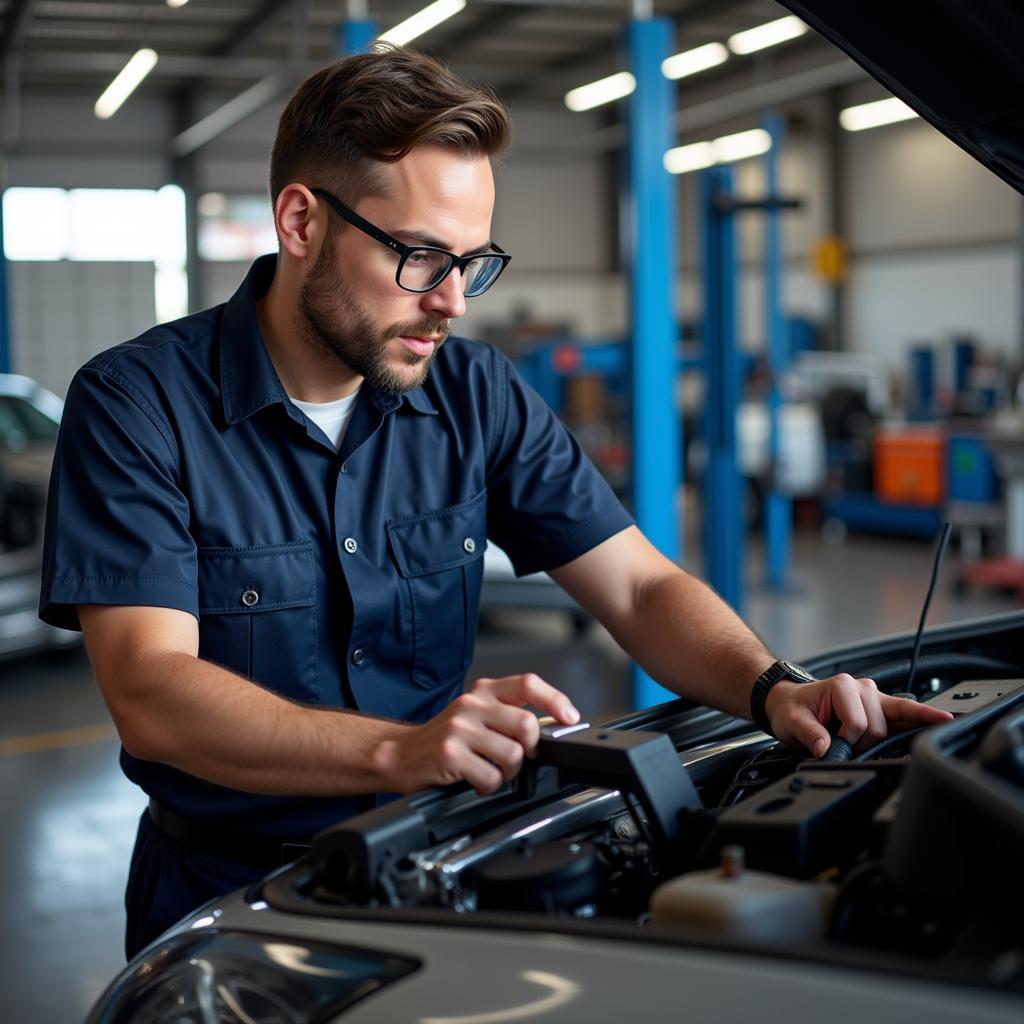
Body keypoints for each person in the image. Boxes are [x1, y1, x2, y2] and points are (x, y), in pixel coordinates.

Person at [39, 45, 950, 959]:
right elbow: (151, 692)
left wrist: (773, 687)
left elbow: (635, 588)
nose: (452, 303)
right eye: (422, 257)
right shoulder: (138, 405)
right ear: (301, 221)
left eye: (473, 263)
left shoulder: (477, 395)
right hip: (224, 908)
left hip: (441, 878)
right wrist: (401, 750)